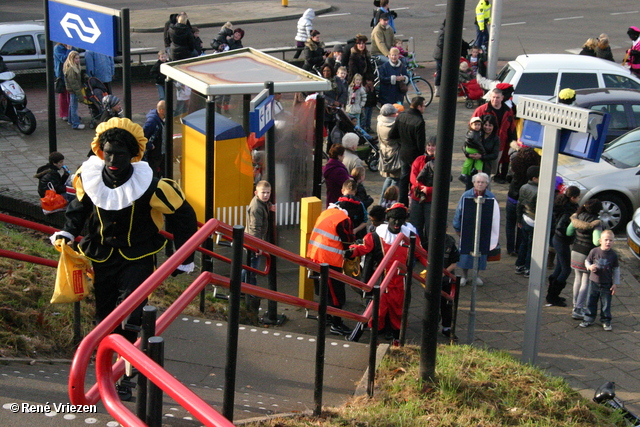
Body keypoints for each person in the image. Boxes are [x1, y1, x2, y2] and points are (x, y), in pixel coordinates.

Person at [49, 118, 197, 399]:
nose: (113, 159)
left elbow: (183, 215)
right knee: (105, 314)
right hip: (101, 255)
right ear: (100, 150)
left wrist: (183, 255)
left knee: (131, 313)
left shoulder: (151, 185)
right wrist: (68, 233)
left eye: (120, 153)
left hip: (138, 256)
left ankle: (126, 373)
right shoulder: (89, 177)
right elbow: (78, 208)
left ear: (133, 155)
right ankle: (109, 366)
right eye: (108, 152)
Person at [346, 203, 427, 344]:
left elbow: (422, 255)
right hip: (381, 281)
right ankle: (375, 335)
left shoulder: (411, 237)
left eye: (400, 220)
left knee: (398, 310)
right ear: (387, 219)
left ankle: (396, 336)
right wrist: (352, 251)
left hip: (400, 282)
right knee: (377, 311)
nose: (396, 223)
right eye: (393, 219)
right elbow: (363, 247)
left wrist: (433, 268)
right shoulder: (377, 235)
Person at [307, 195, 355, 336]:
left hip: (316, 257)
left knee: (324, 292)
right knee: (336, 295)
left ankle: (326, 317)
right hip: (330, 261)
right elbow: (348, 242)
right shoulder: (344, 219)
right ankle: (336, 324)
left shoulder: (327, 212)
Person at [452, 172, 500, 286]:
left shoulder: (491, 197)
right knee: (465, 254)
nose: (480, 184)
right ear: (473, 183)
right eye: (478, 182)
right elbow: (458, 212)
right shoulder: (466, 195)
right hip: (468, 228)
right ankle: (464, 275)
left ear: (486, 184)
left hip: (483, 230)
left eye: (483, 182)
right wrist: (457, 227)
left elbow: (495, 216)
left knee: (481, 253)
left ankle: (476, 275)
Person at [243, 180, 276, 313]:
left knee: (250, 267)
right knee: (253, 268)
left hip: (252, 241)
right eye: (263, 193)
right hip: (252, 242)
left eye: (268, 193)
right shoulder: (256, 207)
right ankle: (249, 290)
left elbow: (263, 205)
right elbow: (255, 228)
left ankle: (242, 286)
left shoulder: (260, 203)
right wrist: (257, 246)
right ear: (256, 193)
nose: (266, 195)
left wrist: (269, 206)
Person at [567, 199, 603, 320]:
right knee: (585, 281)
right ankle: (579, 309)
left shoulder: (577, 217)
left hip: (575, 251)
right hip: (587, 254)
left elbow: (568, 232)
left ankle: (574, 305)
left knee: (577, 279)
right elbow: (595, 241)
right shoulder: (596, 222)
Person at [546, 185, 581, 307]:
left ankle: (552, 294)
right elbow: (562, 227)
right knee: (566, 269)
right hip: (561, 241)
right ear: (573, 197)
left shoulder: (563, 204)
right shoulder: (568, 210)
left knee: (560, 267)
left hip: (559, 240)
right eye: (578, 197)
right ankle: (553, 296)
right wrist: (570, 233)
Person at [472, 88, 516, 183]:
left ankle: (489, 180)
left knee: (493, 169)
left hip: (500, 144)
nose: (495, 100)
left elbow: (512, 127)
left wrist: (514, 141)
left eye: (497, 97)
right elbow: (472, 126)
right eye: (493, 97)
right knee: (482, 167)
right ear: (490, 97)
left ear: (502, 98)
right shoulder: (481, 110)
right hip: (483, 144)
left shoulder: (508, 111)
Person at [388, 96, 426, 205]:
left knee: (404, 179)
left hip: (403, 152)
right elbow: (420, 144)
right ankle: (414, 202)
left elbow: (392, 134)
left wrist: (402, 142)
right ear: (419, 107)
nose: (425, 108)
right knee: (415, 180)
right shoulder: (419, 121)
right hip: (414, 155)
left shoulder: (401, 116)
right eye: (424, 105)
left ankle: (402, 202)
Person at [579, 230, 619, 331]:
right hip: (594, 282)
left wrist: (615, 283)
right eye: (606, 240)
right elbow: (587, 261)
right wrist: (589, 267)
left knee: (606, 303)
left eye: (611, 240)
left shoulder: (613, 255)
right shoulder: (594, 251)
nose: (608, 242)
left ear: (613, 242)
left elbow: (616, 270)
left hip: (607, 283)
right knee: (591, 301)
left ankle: (606, 321)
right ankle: (588, 318)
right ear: (600, 241)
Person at [505, 146, 540, 256]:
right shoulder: (533, 170)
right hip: (525, 202)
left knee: (510, 224)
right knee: (521, 225)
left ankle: (510, 248)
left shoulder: (515, 164)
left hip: (512, 197)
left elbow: (509, 177)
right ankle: (519, 248)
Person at [409, 137, 437, 248]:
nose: (430, 148)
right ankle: (416, 249)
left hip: (431, 200)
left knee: (431, 227)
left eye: (433, 145)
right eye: (429, 145)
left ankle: (429, 250)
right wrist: (421, 188)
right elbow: (413, 177)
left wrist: (428, 190)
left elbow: (443, 182)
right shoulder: (419, 159)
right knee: (415, 225)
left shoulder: (441, 161)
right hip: (417, 198)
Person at [514, 165, 540, 278]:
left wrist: (519, 219)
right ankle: (529, 268)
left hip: (525, 218)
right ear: (534, 178)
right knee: (531, 246)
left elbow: (519, 204)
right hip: (534, 220)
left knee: (523, 243)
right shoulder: (539, 191)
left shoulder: (524, 187)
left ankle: (519, 265)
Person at [377, 104, 402, 198]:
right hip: (394, 155)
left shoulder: (380, 121)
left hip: (384, 152)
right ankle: (389, 201)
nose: (396, 114)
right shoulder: (393, 126)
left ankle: (382, 201)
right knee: (395, 180)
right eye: (393, 113)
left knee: (389, 177)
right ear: (389, 115)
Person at [440, 226, 460, 338]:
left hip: (446, 280)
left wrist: (444, 273)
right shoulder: (428, 241)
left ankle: (446, 328)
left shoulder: (450, 242)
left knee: (447, 304)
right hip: (432, 280)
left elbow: (455, 261)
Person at [143, 100, 166, 178]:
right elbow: (141, 136)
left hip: (161, 153)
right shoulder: (151, 122)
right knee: (154, 175)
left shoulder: (161, 120)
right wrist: (150, 146)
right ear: (161, 110)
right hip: (154, 155)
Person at [63, 50, 85, 130]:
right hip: (74, 90)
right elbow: (74, 84)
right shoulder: (72, 69)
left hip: (71, 90)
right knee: (74, 107)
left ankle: (70, 120)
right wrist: (80, 95)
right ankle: (75, 124)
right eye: (76, 58)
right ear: (72, 59)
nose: (78, 60)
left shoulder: (70, 67)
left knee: (72, 106)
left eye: (78, 58)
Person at [459, 117, 484, 185]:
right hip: (473, 149)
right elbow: (478, 144)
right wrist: (483, 151)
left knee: (469, 161)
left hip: (469, 149)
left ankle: (464, 174)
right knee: (479, 160)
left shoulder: (470, 132)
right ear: (471, 125)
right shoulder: (474, 134)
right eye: (475, 124)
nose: (477, 126)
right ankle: (480, 174)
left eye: (479, 125)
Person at [54, 43, 72, 122]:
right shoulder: (58, 48)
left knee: (71, 95)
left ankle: (71, 113)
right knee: (63, 95)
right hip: (62, 75)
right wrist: (69, 50)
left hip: (71, 73)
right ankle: (64, 114)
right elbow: (64, 59)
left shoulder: (72, 47)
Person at [433, 19, 445, 97]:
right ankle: (438, 89)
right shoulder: (443, 32)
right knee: (440, 72)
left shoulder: (443, 30)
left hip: (439, 55)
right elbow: (440, 43)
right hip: (440, 55)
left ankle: (438, 89)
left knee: (440, 71)